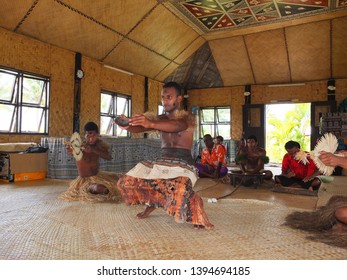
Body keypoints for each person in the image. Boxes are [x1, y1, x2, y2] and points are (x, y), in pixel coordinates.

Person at [116, 82, 214, 230]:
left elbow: (177, 126)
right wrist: (127, 125)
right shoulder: (158, 118)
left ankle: (195, 206)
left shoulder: (188, 118)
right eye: (163, 97)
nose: (165, 100)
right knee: (126, 182)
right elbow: (141, 127)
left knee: (178, 189)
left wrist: (151, 123)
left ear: (179, 99)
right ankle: (153, 203)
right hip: (162, 162)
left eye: (169, 97)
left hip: (183, 164)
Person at [284, 150, 347, 248]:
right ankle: (341, 225)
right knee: (335, 201)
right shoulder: (288, 158)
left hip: (313, 179)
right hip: (299, 179)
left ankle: (342, 226)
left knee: (342, 213)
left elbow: (317, 172)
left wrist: (340, 161)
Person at [59, 122, 121, 202]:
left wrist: (93, 150)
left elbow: (108, 157)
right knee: (99, 188)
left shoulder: (100, 146)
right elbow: (73, 151)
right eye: (88, 136)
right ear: (84, 135)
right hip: (85, 181)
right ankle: (95, 189)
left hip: (98, 176)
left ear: (98, 135)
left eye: (93, 136)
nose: (90, 139)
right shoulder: (80, 146)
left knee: (120, 177)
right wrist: (71, 150)